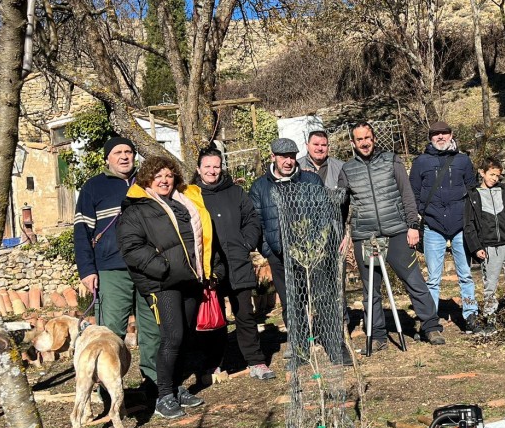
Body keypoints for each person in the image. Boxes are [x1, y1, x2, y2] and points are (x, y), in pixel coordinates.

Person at [117, 156, 214, 420]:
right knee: (171, 337)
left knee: (185, 337)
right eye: (158, 176)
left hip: (191, 278)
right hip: (162, 283)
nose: (164, 180)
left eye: (169, 176)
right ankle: (164, 396)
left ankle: (177, 386)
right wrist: (163, 267)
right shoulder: (137, 209)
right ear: (148, 179)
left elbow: (200, 237)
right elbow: (132, 248)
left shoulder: (185, 202)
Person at [337, 122, 444, 350]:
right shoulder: (347, 170)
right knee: (370, 288)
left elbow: (406, 193)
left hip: (397, 231)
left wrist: (412, 225)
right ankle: (377, 335)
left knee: (414, 280)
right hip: (366, 236)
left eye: (368, 138)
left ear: (374, 138)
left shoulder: (391, 160)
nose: (364, 143)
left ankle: (431, 327)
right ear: (352, 143)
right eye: (359, 139)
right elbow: (343, 207)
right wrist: (345, 233)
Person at [73, 136, 160, 401]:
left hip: (147, 267)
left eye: (128, 152)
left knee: (152, 328)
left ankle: (155, 385)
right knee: (111, 333)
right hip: (111, 269)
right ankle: (109, 391)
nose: (124, 156)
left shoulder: (146, 182)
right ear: (107, 158)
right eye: (118, 152)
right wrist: (87, 269)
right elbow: (81, 231)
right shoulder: (93, 188)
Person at [248, 138, 327, 375]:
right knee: (291, 303)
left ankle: (330, 342)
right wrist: (269, 251)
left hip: (311, 253)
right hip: (280, 256)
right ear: (273, 157)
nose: (288, 161)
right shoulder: (260, 187)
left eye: (292, 156)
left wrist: (318, 244)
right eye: (283, 156)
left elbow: (322, 213)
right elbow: (257, 222)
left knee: (320, 298)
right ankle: (299, 347)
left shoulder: (310, 180)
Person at [185, 148, 266, 380]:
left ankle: (256, 361)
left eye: (216, 166)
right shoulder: (191, 196)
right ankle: (214, 364)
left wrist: (246, 242)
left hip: (238, 262)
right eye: (207, 166)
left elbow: (251, 219)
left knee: (245, 315)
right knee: (214, 317)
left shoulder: (236, 192)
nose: (212, 170)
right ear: (199, 169)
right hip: (210, 268)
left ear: (222, 168)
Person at [409, 121, 478, 330]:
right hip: (433, 225)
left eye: (444, 133)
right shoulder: (421, 162)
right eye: (436, 134)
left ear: (451, 134)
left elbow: (472, 189)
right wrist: (421, 215)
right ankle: (430, 321)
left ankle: (471, 315)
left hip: (460, 225)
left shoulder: (463, 160)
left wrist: (471, 220)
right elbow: (413, 192)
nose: (440, 137)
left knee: (465, 275)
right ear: (430, 138)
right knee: (433, 278)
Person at [463, 157, 505, 334]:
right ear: (482, 173)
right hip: (489, 248)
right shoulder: (472, 195)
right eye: (491, 174)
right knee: (490, 284)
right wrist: (476, 247)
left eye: (498, 175)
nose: (495, 178)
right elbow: (469, 225)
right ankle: (490, 317)